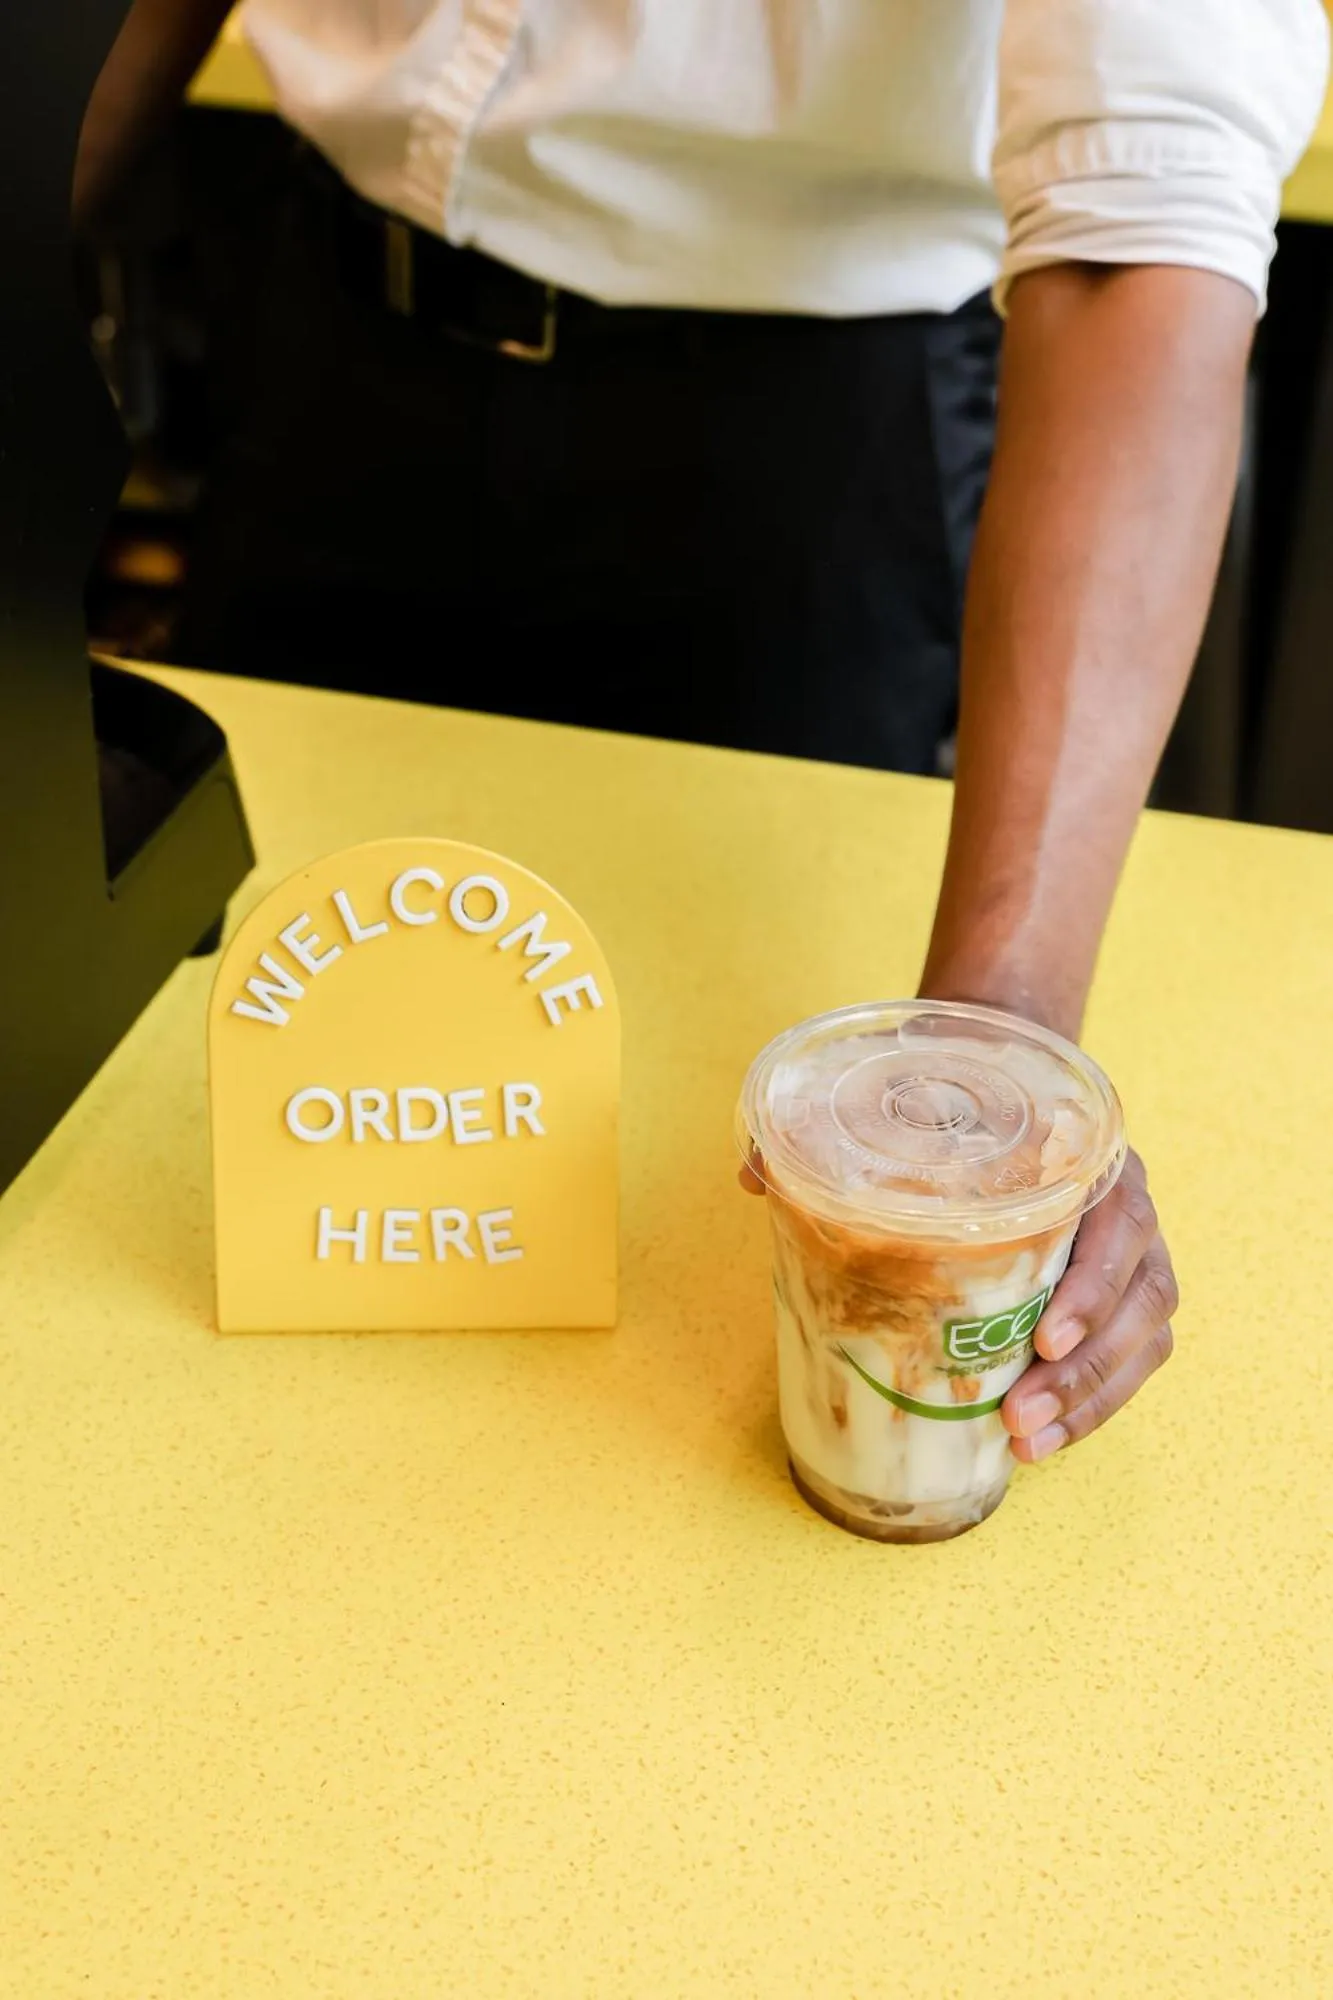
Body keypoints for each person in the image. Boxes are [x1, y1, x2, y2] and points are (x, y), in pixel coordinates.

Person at [77, 1, 1328, 1465]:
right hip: (320, 349)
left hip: (801, 457)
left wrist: (1002, 1082)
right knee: (174, 1110)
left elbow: (1140, 234)